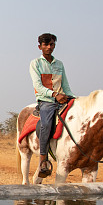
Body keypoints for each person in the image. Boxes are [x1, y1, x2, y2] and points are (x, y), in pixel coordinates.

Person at [29, 33, 75, 177]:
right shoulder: (35, 63)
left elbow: (65, 85)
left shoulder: (59, 64)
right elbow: (38, 86)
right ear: (40, 47)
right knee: (46, 125)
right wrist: (55, 95)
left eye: (51, 44)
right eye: (46, 45)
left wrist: (72, 97)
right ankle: (43, 159)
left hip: (62, 98)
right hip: (46, 101)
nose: (49, 47)